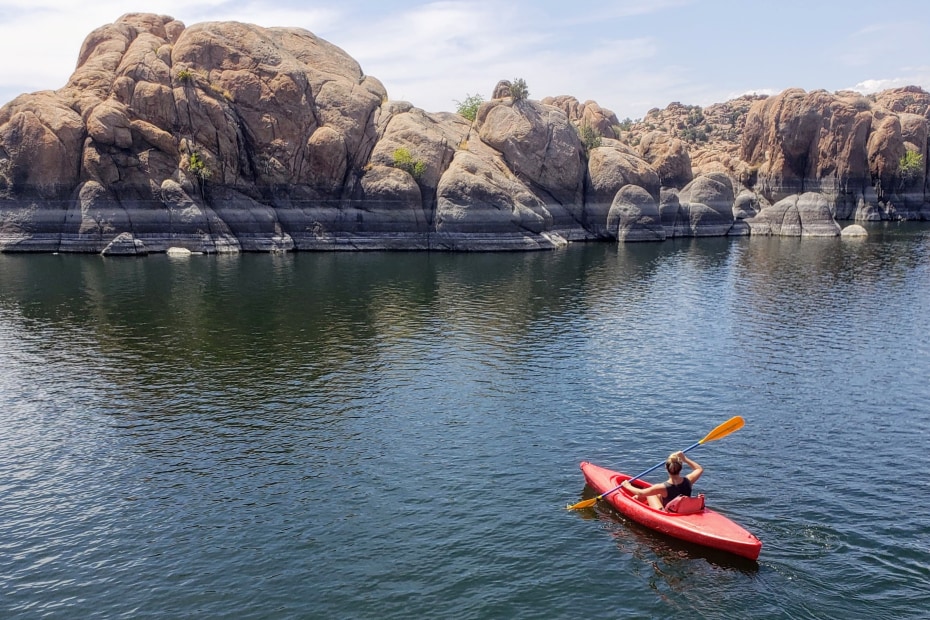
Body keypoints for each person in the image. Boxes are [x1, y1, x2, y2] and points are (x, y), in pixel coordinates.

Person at [621, 451, 703, 511]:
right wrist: (684, 458)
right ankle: (635, 499)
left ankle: (631, 501)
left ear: (666, 468)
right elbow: (699, 469)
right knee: (658, 494)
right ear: (681, 467)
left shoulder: (662, 487)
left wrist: (627, 486)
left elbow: (641, 493)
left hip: (669, 513)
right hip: (683, 509)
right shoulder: (689, 480)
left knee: (650, 493)